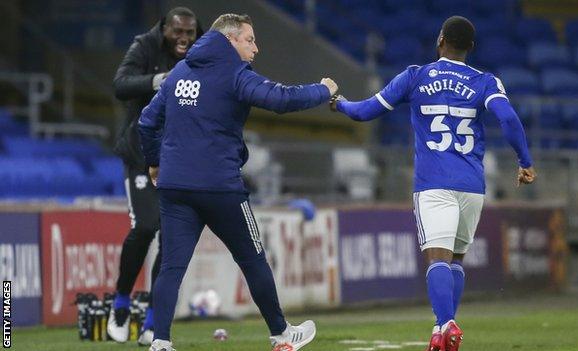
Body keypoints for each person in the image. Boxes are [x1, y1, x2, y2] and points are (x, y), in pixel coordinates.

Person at [330, 16, 536, 351]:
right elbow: (509, 118)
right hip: (471, 186)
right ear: (470, 47)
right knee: (455, 260)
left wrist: (339, 103)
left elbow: (364, 112)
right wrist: (525, 162)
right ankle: (443, 333)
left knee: (437, 259)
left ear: (441, 40)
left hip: (434, 184)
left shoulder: (415, 76)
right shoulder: (485, 81)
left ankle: (445, 323)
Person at [137, 13, 338, 351]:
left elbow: (146, 122)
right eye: (250, 40)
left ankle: (160, 341)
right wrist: (323, 89)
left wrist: (155, 163)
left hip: (174, 187)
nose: (256, 48)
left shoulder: (180, 73)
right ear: (230, 39)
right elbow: (282, 99)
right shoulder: (235, 74)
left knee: (171, 266)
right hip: (221, 188)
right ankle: (281, 334)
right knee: (252, 258)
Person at [108, 7, 203, 346]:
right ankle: (119, 304)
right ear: (164, 28)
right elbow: (120, 85)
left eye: (190, 33)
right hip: (140, 154)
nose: (184, 38)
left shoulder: (201, 52)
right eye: (178, 31)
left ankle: (152, 320)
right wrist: (157, 81)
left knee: (171, 238)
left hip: (178, 157)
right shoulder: (144, 47)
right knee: (146, 227)